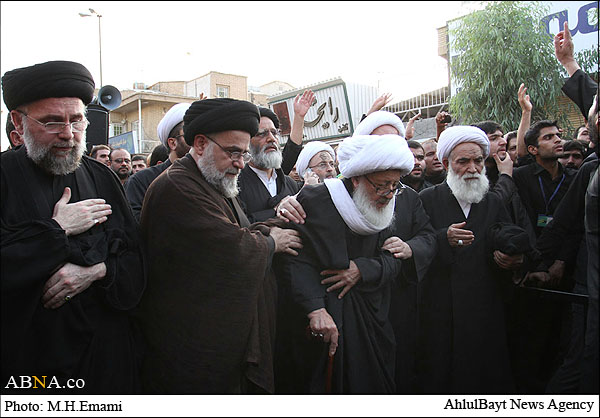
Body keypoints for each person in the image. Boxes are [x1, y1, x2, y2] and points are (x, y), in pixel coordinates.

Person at [137, 98, 301, 394]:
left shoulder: (214, 180)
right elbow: (230, 248)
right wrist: (272, 242)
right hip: (193, 346)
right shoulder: (177, 187)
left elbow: (241, 229)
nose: (240, 163)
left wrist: (272, 225)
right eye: (233, 152)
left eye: (244, 154)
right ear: (200, 143)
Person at [1, 60, 145, 394]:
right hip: (29, 369)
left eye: (76, 120)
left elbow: (135, 259)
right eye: (52, 122)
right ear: (18, 122)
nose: (68, 134)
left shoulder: (101, 176)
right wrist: (55, 229)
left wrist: (97, 271)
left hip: (106, 362)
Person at [281, 133, 416, 393]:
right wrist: (314, 309)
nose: (389, 194)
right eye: (381, 186)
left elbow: (393, 259)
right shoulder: (316, 200)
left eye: (395, 185)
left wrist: (362, 270)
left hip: (373, 315)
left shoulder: (388, 203)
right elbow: (296, 258)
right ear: (356, 179)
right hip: (328, 316)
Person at [417, 126, 529, 394]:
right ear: (446, 164)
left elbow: (508, 238)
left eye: (478, 160)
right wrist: (443, 238)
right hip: (441, 310)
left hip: (484, 308)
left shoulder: (491, 202)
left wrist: (513, 260)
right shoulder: (426, 199)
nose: (472, 168)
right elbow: (415, 247)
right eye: (463, 161)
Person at [125, 103, 191, 222]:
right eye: (189, 134)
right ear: (172, 143)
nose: (197, 141)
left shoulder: (209, 176)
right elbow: (137, 225)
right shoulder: (141, 181)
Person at [236, 107, 304, 223]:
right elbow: (240, 225)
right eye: (262, 134)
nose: (271, 139)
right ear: (246, 141)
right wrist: (276, 211)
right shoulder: (236, 184)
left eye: (274, 133)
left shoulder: (289, 184)